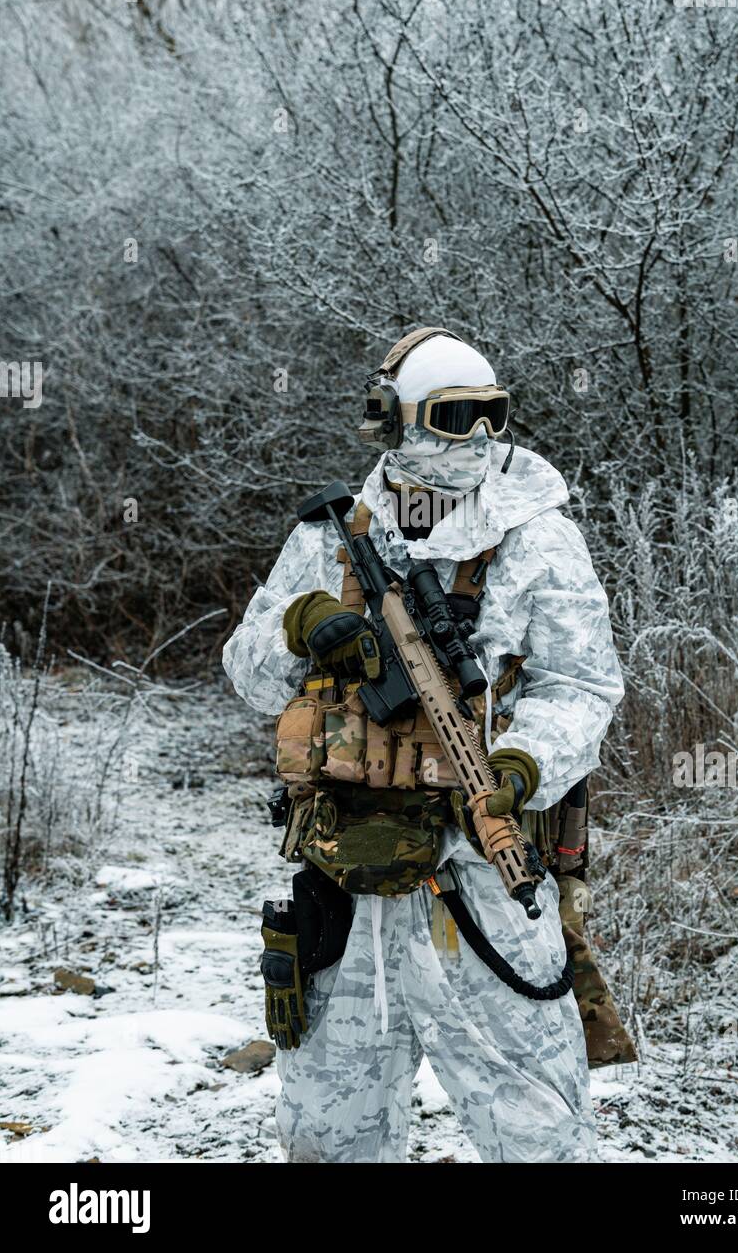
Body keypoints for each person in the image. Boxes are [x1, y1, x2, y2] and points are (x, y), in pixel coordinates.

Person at [223, 327, 624, 1163]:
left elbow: (581, 687)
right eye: (452, 417)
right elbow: (251, 677)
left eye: (492, 415)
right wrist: (302, 627)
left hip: (483, 874)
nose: (477, 439)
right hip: (346, 875)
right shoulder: (333, 534)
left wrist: (523, 766)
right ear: (393, 420)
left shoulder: (537, 536)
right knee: (330, 1133)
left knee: (537, 1127)